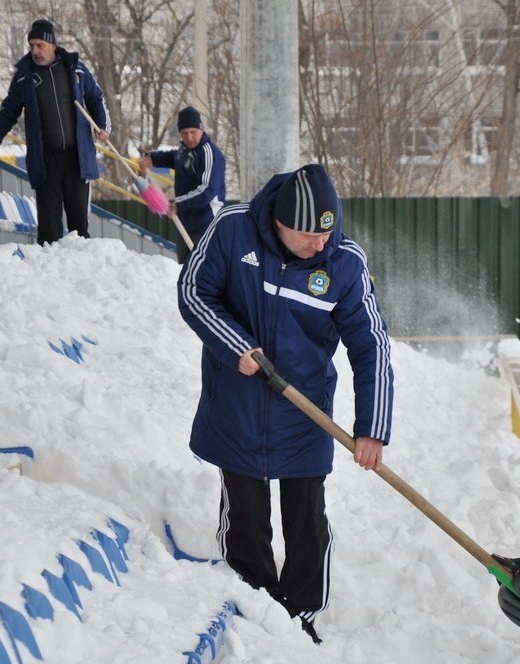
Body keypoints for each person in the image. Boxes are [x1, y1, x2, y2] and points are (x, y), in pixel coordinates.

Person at [177, 163, 394, 644]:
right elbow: (194, 293)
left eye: (328, 233)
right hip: (237, 408)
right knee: (247, 521)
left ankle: (300, 618)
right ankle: (257, 611)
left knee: (306, 523)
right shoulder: (233, 230)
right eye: (309, 237)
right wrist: (237, 346)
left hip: (304, 413)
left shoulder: (343, 264)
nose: (322, 245)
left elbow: (371, 347)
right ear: (280, 222)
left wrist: (372, 427)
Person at [0, 19, 110, 245]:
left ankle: (81, 271)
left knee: (79, 223)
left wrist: (102, 127)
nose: (35, 51)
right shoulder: (24, 77)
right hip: (45, 159)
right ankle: (49, 274)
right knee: (49, 226)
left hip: (76, 157)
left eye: (40, 45)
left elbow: (96, 98)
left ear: (52, 44)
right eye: (32, 46)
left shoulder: (76, 69)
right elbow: (8, 111)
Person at [142, 106, 226, 263]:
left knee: (203, 268)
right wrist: (152, 158)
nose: (189, 137)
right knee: (185, 267)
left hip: (207, 222)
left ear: (201, 129)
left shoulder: (209, 153)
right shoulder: (184, 150)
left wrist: (179, 204)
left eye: (193, 132)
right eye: (184, 133)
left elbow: (206, 190)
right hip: (185, 220)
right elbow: (174, 158)